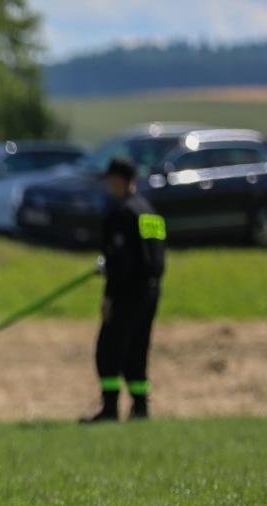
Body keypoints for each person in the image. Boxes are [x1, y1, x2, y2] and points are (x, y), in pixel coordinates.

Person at [84, 156, 165, 422]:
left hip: (127, 292)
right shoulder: (149, 212)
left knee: (108, 349)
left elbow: (120, 260)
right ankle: (140, 406)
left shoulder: (121, 214)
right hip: (151, 291)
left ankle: (109, 409)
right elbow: (154, 256)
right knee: (137, 349)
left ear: (118, 180)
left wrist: (109, 294)